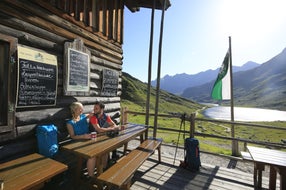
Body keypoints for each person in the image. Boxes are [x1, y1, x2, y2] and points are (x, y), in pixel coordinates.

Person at [66, 102, 96, 177]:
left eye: (82, 108)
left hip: (88, 140)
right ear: (74, 110)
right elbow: (72, 136)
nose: (82, 110)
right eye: (80, 109)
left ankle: (102, 170)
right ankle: (91, 177)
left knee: (102, 150)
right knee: (92, 156)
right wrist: (83, 136)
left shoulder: (83, 116)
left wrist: (93, 113)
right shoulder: (70, 123)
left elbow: (91, 114)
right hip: (78, 143)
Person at [90, 101, 120, 167]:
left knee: (114, 137)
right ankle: (111, 158)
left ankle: (107, 164)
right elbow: (99, 130)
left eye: (96, 108)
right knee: (108, 146)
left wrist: (112, 128)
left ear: (102, 109)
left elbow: (114, 125)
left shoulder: (106, 116)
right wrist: (111, 128)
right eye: (94, 108)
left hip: (103, 136)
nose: (94, 110)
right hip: (94, 138)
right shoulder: (93, 117)